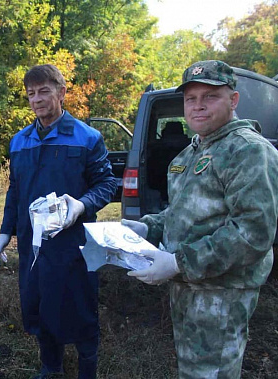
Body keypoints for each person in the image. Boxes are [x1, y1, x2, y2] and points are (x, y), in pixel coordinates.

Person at [123, 60, 278, 378]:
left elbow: (252, 233)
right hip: (189, 290)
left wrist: (179, 261)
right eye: (191, 99)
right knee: (194, 371)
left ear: (233, 100)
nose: (198, 106)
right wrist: (147, 226)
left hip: (221, 294)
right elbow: (181, 212)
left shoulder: (248, 152)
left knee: (212, 373)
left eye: (210, 96)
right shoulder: (189, 154)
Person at [0, 64, 117, 378]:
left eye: (44, 91)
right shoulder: (20, 141)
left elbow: (106, 184)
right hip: (34, 246)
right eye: (31, 93)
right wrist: (6, 231)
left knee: (81, 309)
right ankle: (51, 367)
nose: (36, 99)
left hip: (74, 245)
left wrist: (81, 205)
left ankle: (88, 370)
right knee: (40, 304)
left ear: (61, 93)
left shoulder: (87, 138)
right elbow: (15, 190)